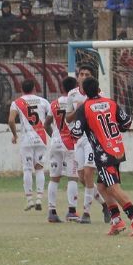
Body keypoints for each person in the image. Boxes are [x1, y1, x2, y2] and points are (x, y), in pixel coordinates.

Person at [71, 76, 133, 236]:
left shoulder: (84, 108)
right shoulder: (111, 103)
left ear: (84, 92)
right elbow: (127, 123)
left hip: (103, 153)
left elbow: (76, 133)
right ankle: (117, 221)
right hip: (117, 149)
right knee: (102, 186)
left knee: (112, 187)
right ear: (98, 89)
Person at [65, 64, 109, 224]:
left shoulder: (99, 94)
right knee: (82, 177)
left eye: (87, 74)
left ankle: (86, 214)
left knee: (89, 173)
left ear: (92, 77)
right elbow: (67, 118)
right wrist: (79, 111)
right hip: (79, 140)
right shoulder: (72, 94)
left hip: (93, 139)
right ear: (77, 77)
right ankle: (105, 205)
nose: (83, 77)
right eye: (81, 74)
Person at [8, 79, 51, 212]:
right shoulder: (43, 101)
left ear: (21, 89)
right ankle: (39, 199)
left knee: (27, 169)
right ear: (34, 89)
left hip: (26, 140)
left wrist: (15, 135)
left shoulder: (17, 102)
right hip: (41, 138)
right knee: (39, 168)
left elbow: (11, 120)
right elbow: (52, 116)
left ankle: (29, 200)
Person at [43, 76, 81, 223]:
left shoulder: (54, 104)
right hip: (70, 143)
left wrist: (54, 136)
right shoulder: (76, 103)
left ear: (62, 87)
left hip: (55, 142)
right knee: (72, 177)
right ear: (75, 88)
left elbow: (46, 124)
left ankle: (52, 212)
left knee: (54, 178)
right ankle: (71, 211)